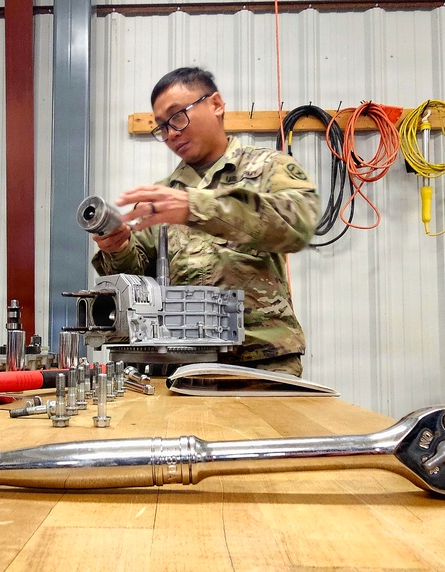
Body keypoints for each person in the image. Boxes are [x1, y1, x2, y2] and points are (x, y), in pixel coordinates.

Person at [91, 67, 320, 377]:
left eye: (177, 117)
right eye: (161, 127)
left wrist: (196, 207)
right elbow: (141, 281)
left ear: (215, 104)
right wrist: (118, 248)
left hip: (262, 359)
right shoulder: (164, 195)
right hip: (183, 363)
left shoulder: (268, 167)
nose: (171, 133)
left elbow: (300, 225)